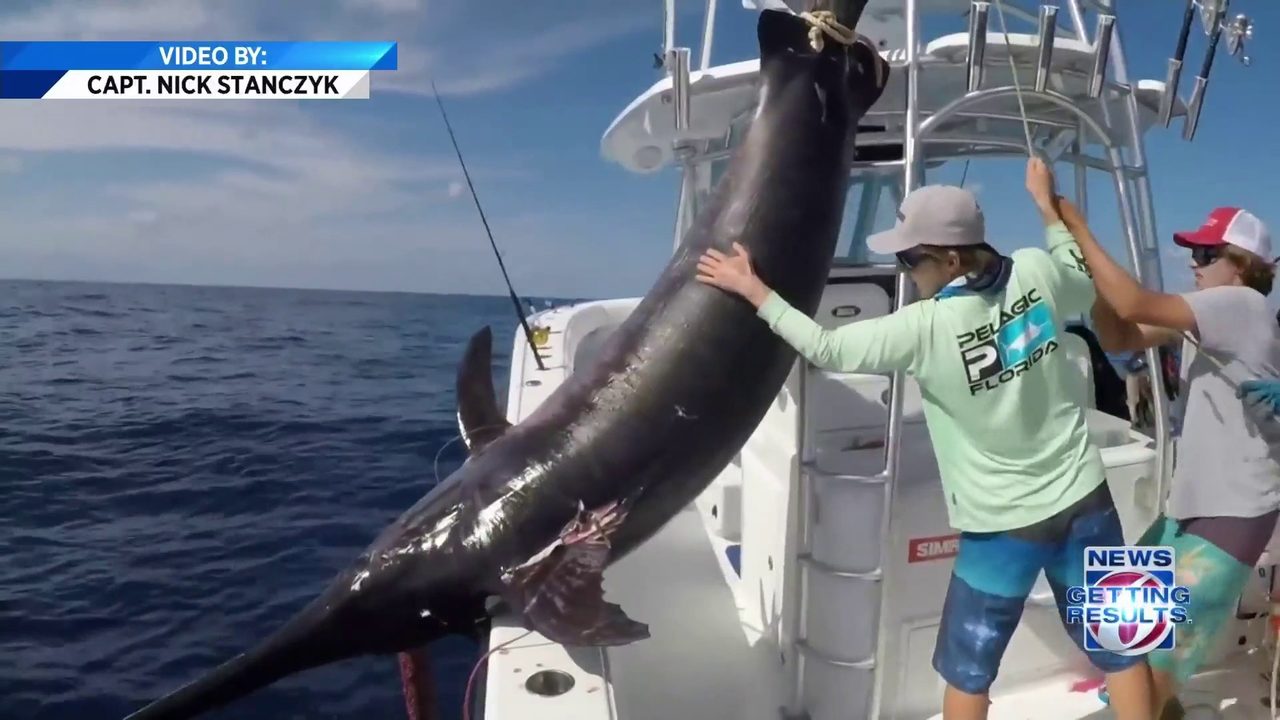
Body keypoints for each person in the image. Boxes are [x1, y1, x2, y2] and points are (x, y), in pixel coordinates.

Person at [694, 169, 1154, 720]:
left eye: (912, 260)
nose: (906, 273)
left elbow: (825, 348)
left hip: (1002, 527)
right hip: (1087, 498)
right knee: (1125, 644)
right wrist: (1051, 214)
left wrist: (754, 289)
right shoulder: (1035, 269)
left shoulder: (923, 327)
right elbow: (1081, 280)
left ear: (953, 260)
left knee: (969, 670)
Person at [1046, 185, 1280, 719]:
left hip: (1231, 514)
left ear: (1242, 266)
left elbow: (1132, 304)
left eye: (1205, 254)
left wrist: (1080, 230)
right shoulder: (1218, 319)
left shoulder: (1239, 304)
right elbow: (1122, 334)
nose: (1192, 263)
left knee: (1149, 662)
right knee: (1125, 628)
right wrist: (1091, 275)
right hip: (1192, 509)